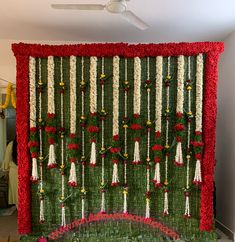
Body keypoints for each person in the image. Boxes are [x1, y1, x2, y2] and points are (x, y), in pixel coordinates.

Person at [1, 137, 18, 208]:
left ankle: (19, 209)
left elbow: (7, 159)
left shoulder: (11, 144)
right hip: (23, 170)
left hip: (14, 171)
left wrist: (6, 171)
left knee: (16, 192)